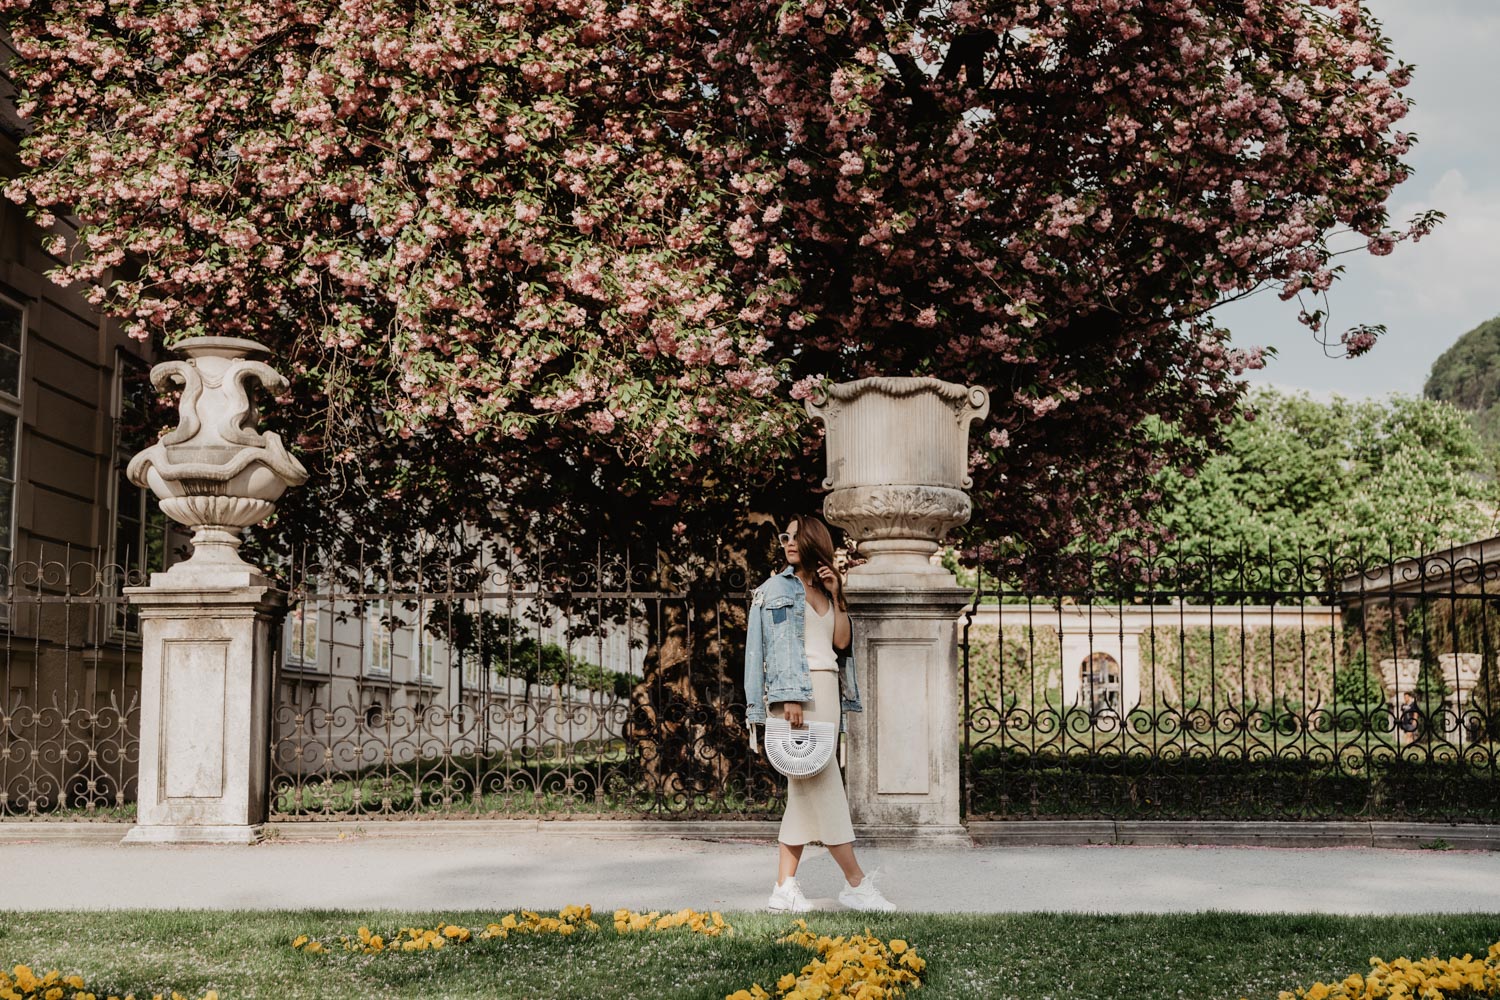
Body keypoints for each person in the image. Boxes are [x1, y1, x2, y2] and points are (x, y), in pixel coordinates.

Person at [743, 514, 895, 913]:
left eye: (796, 537)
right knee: (825, 787)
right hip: (797, 697)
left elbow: (840, 643)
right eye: (786, 537)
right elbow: (767, 651)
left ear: (815, 542)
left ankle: (783, 889)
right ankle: (856, 884)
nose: (789, 543)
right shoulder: (773, 589)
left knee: (805, 790)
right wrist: (786, 697)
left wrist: (838, 593)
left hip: (827, 693)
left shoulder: (826, 592)